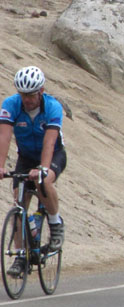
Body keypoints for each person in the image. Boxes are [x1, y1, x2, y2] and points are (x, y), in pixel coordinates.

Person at [0, 66, 67, 278]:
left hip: (53, 154)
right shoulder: (10, 105)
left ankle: (55, 224)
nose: (27, 100)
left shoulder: (53, 107)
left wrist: (43, 170)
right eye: (23, 95)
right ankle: (21, 256)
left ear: (41, 91)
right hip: (26, 157)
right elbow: (4, 137)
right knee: (19, 203)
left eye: (30, 95)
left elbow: (50, 142)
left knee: (43, 182)